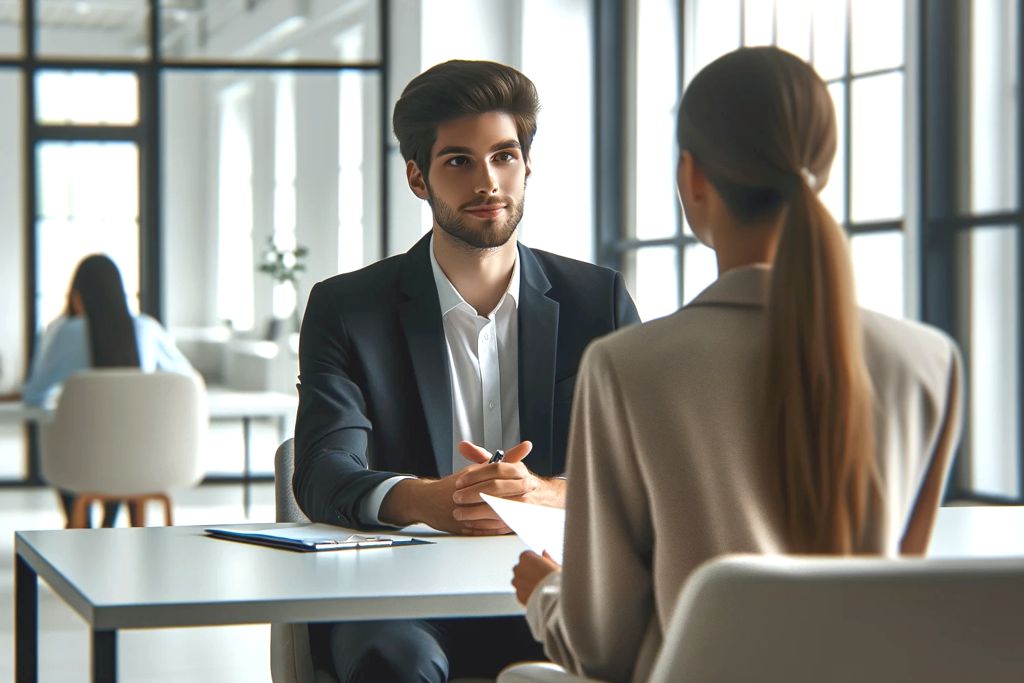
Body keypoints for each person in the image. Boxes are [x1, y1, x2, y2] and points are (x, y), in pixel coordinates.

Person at [510, 46, 963, 683]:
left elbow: (602, 652)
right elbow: (887, 602)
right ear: (822, 170)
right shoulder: (929, 363)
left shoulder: (626, 367)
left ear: (692, 177)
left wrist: (547, 595)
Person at [294, 59, 640, 681]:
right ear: (418, 178)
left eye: (504, 156)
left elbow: (651, 470)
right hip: (402, 598)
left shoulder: (599, 301)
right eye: (458, 161)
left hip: (561, 578)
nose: (488, 182)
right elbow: (321, 473)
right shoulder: (347, 308)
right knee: (392, 662)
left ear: (527, 165)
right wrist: (428, 500)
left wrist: (542, 493)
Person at [22, 254, 194, 528]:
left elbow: (33, 396)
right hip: (144, 460)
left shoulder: (68, 332)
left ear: (78, 294)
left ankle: (77, 524)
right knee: (123, 436)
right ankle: (109, 521)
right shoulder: (147, 328)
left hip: (82, 464)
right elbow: (186, 381)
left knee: (80, 440)